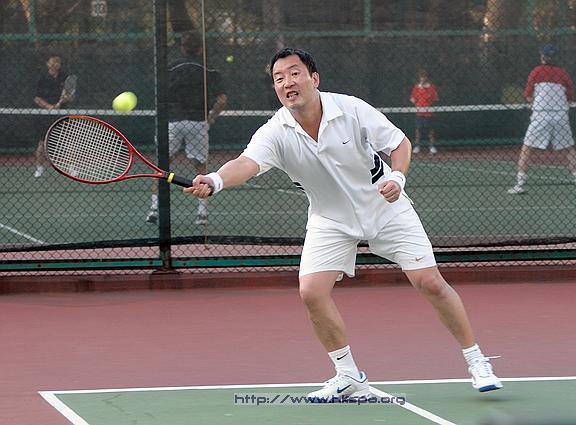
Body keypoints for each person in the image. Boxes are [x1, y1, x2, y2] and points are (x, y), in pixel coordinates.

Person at [185, 48, 502, 401]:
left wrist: (397, 177)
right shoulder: (275, 131)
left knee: (430, 283)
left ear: (314, 78)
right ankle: (348, 375)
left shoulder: (350, 108)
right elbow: (246, 163)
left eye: (294, 73)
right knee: (311, 292)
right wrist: (215, 180)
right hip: (330, 219)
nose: (287, 83)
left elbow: (399, 143)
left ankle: (477, 360)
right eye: (279, 78)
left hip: (386, 208)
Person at [146, 30, 227, 225]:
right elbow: (222, 99)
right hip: (197, 123)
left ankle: (154, 209)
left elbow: (159, 96)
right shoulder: (209, 69)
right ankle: (202, 213)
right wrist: (211, 118)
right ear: (200, 49)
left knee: (161, 166)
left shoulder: (170, 68)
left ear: (182, 48)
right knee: (200, 166)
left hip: (171, 123)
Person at [508, 43, 576, 194]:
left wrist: (537, 103)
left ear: (542, 57)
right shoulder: (563, 74)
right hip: (560, 116)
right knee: (569, 149)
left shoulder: (536, 71)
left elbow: (528, 97)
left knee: (526, 149)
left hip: (540, 116)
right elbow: (570, 100)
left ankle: (520, 185)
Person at [33, 53, 74, 177]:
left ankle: (72, 168)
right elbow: (37, 98)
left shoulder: (65, 77)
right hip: (45, 114)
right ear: (47, 64)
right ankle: (39, 168)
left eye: (57, 62)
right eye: (52, 61)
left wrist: (66, 99)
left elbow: (70, 97)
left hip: (62, 113)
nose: (55, 64)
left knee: (69, 141)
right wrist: (49, 107)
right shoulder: (41, 78)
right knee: (42, 142)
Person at [409, 69, 439, 155]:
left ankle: (432, 147)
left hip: (429, 112)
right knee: (418, 129)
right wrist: (417, 102)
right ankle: (417, 146)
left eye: (424, 76)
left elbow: (435, 99)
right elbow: (412, 99)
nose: (423, 78)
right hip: (419, 112)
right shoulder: (416, 88)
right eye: (421, 77)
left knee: (430, 130)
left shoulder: (431, 88)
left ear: (427, 78)